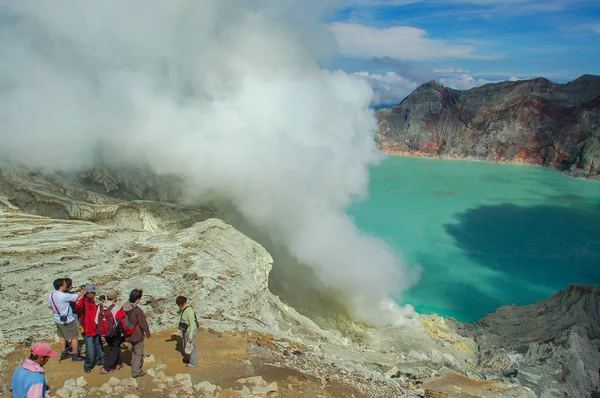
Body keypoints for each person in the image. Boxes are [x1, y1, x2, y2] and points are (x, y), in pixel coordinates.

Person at [47, 278, 85, 362]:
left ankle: (64, 353)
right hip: (67, 320)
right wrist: (84, 291)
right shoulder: (63, 295)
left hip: (57, 319)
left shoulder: (52, 294)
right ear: (61, 286)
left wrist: (58, 311)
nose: (66, 285)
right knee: (74, 337)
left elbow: (49, 306)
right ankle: (75, 354)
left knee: (62, 336)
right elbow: (77, 296)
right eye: (64, 284)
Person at [76, 284, 106, 373]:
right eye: (91, 293)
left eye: (94, 292)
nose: (93, 294)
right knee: (90, 349)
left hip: (95, 327)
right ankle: (88, 364)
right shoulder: (83, 302)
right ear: (87, 293)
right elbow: (78, 307)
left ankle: (101, 360)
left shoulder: (91, 301)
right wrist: (82, 294)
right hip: (88, 328)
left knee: (99, 345)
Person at [124, 289, 151, 378]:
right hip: (137, 334)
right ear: (137, 299)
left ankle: (134, 365)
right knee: (138, 352)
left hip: (128, 333)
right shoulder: (137, 310)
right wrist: (147, 333)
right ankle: (136, 371)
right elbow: (143, 323)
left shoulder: (124, 307)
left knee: (134, 350)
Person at [97, 290, 124, 374]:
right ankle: (106, 367)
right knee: (115, 349)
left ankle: (118, 363)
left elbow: (96, 320)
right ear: (113, 298)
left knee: (114, 347)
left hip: (104, 331)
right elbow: (120, 320)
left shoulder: (101, 307)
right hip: (114, 331)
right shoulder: (116, 307)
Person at [168, 296, 199, 368]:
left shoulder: (189, 310)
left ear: (181, 304)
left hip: (190, 330)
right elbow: (179, 313)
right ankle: (187, 358)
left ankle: (193, 362)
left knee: (191, 346)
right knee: (186, 344)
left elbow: (192, 324)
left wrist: (190, 336)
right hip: (185, 329)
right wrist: (172, 312)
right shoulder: (183, 308)